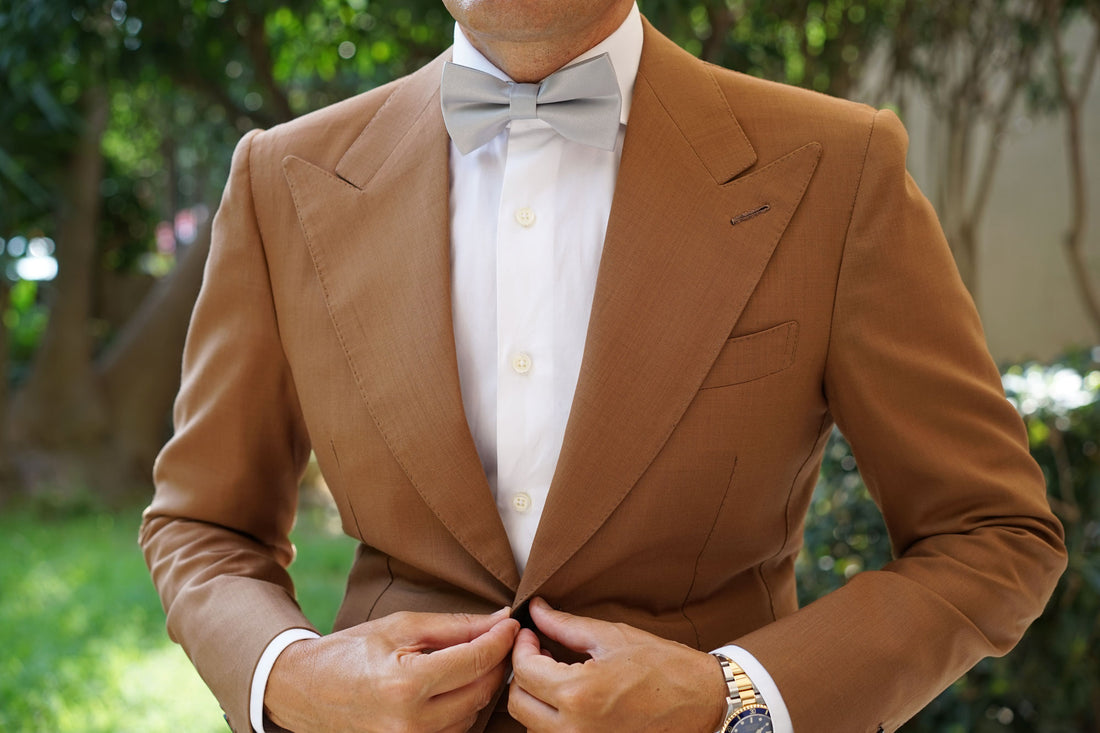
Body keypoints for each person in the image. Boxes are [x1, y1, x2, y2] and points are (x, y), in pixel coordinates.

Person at [140, 0, 1067, 731]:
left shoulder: (838, 168)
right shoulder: (281, 178)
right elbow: (203, 524)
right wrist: (289, 674)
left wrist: (733, 696)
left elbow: (992, 532)